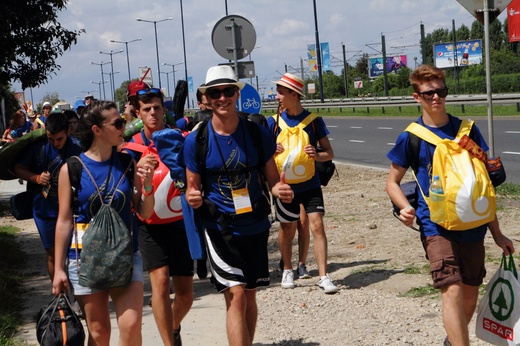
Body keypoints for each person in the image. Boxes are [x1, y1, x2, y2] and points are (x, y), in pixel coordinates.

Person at [386, 64, 515, 346]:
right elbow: (392, 182)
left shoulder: (468, 131)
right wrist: (403, 207)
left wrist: (498, 233)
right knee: (452, 289)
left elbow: (484, 187)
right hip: (435, 225)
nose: (436, 98)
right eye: (429, 93)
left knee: (470, 293)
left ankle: (452, 340)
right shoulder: (411, 137)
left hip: (473, 223)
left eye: (441, 91)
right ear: (416, 97)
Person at [184, 65, 293, 345]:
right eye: (215, 93)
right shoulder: (197, 140)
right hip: (219, 227)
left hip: (255, 222)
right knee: (236, 294)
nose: (222, 98)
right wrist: (192, 197)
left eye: (228, 91)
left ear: (236, 94)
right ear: (206, 98)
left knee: (251, 294)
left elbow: (271, 179)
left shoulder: (257, 133)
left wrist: (280, 189)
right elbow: (192, 188)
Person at [52, 101, 156, 345]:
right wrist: (58, 269)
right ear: (97, 130)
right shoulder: (72, 169)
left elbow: (143, 211)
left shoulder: (127, 163)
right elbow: (64, 220)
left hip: (126, 256)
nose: (124, 127)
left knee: (131, 326)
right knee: (99, 334)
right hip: (86, 260)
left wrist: (148, 185)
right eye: (117, 123)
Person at [123, 85, 193, 346]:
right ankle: (168, 342)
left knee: (185, 295)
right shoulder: (131, 148)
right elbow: (126, 192)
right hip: (149, 225)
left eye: (157, 108)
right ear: (138, 114)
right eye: (147, 109)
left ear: (164, 110)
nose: (153, 113)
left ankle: (172, 327)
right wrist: (137, 173)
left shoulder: (180, 138)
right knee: (161, 285)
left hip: (181, 224)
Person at [266, 72, 338, 294]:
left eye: (280, 92)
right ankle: (288, 269)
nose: (276, 96)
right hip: (285, 186)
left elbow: (329, 153)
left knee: (317, 225)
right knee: (287, 228)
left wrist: (317, 154)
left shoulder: (313, 121)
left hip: (310, 183)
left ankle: (323, 276)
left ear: (293, 94)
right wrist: (271, 149)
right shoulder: (273, 122)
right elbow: (263, 157)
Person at [14, 112, 82, 282]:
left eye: (59, 138)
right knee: (53, 254)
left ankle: (80, 296)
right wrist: (36, 178)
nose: (55, 143)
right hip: (44, 210)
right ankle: (60, 299)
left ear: (67, 131)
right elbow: (19, 168)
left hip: (74, 210)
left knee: (76, 254)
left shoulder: (78, 148)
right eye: (51, 139)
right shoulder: (38, 148)